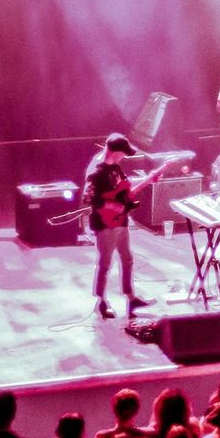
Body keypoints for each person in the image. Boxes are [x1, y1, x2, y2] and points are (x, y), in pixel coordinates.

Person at [82, 132, 150, 321]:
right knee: (105, 263)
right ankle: (101, 301)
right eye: (122, 153)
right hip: (105, 224)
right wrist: (110, 205)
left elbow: (122, 191)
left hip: (121, 221)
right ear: (114, 152)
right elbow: (88, 198)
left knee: (127, 258)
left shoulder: (116, 167)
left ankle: (130, 296)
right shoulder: (97, 171)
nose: (124, 156)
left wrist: (148, 181)